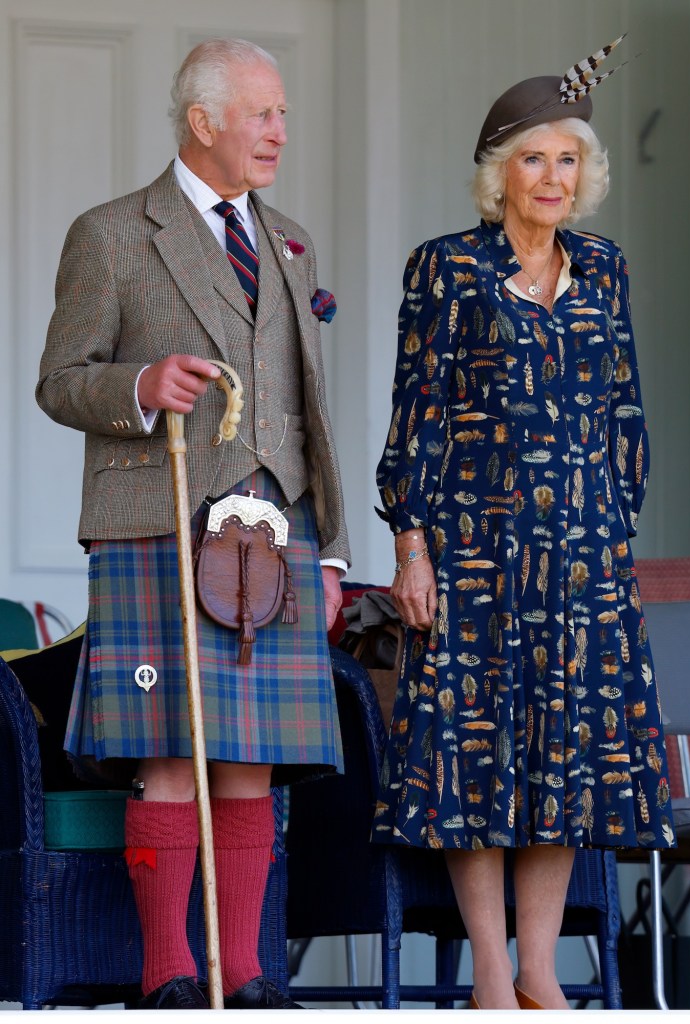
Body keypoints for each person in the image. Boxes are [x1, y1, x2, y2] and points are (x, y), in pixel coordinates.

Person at [37, 38, 350, 1010]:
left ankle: (245, 971)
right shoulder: (113, 234)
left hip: (275, 537)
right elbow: (60, 379)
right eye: (260, 113)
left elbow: (307, 401)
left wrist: (329, 547)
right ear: (202, 121)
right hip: (155, 524)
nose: (278, 131)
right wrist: (139, 384)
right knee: (172, 751)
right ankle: (167, 972)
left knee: (253, 758)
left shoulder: (289, 241)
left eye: (283, 114)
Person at [372, 38, 676, 1010]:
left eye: (568, 158)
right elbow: (412, 417)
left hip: (581, 557)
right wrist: (409, 543)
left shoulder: (603, 270)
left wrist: (612, 530)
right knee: (476, 754)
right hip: (470, 555)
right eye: (533, 156)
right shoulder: (446, 270)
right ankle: (490, 973)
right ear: (496, 170)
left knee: (564, 763)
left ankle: (540, 968)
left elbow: (622, 410)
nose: (552, 176)